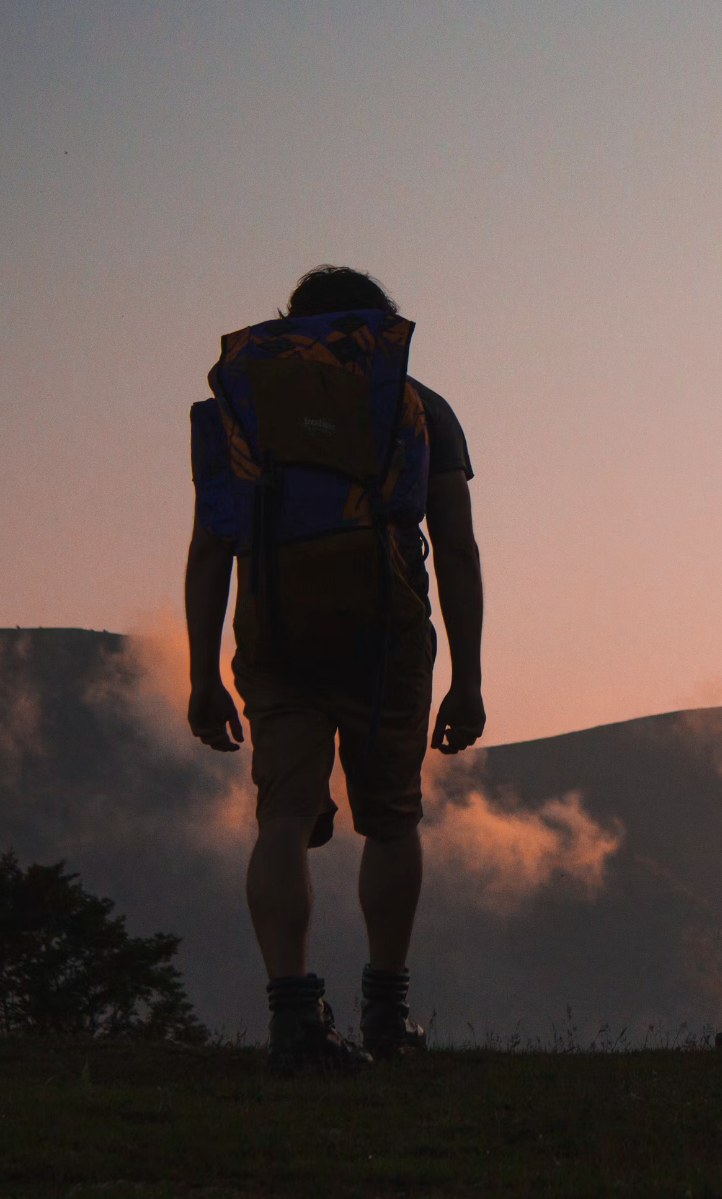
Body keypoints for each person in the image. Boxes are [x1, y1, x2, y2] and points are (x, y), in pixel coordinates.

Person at [184, 265, 485, 1073]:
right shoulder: (415, 406)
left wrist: (202, 673)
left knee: (281, 820)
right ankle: (385, 1017)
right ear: (375, 329)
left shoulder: (248, 406)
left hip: (273, 626)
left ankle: (293, 1021)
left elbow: (213, 545)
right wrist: (468, 674)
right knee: (389, 818)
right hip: (382, 629)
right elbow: (454, 546)